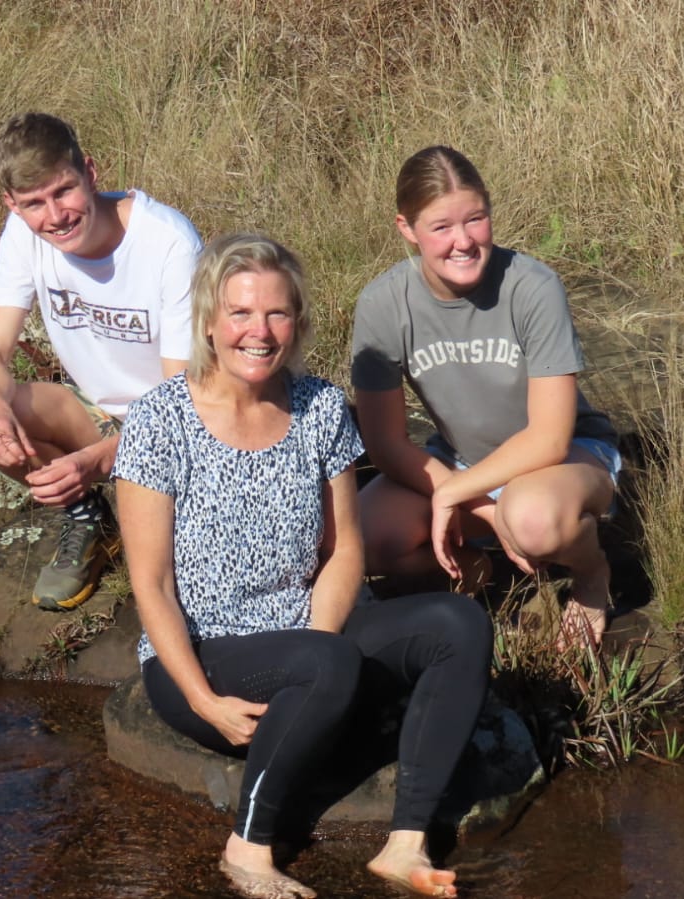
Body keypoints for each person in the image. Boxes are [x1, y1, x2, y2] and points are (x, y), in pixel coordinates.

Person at [114, 233, 491, 899]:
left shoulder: (319, 407)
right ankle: (249, 846)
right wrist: (204, 699)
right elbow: (151, 582)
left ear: (298, 323)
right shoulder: (158, 420)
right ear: (208, 320)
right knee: (327, 664)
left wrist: (324, 643)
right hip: (207, 656)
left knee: (456, 622)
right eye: (239, 312)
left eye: (276, 313)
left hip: (309, 642)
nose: (257, 332)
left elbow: (344, 547)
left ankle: (405, 841)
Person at [350, 146, 621, 648]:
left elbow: (550, 438)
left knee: (532, 520)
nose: (463, 241)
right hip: (459, 460)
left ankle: (592, 575)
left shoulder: (532, 286)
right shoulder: (383, 304)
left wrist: (454, 495)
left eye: (475, 219)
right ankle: (481, 570)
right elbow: (385, 444)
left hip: (567, 458)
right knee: (363, 535)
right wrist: (479, 504)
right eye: (441, 227)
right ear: (407, 229)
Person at [0, 112, 202, 611]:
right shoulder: (22, 234)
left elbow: (179, 403)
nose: (54, 216)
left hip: (188, 425)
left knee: (181, 578)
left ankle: (139, 510)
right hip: (102, 416)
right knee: (12, 410)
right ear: (12, 205)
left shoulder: (168, 243)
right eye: (34, 204)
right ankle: (87, 517)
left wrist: (93, 461)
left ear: (91, 172)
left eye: (64, 191)